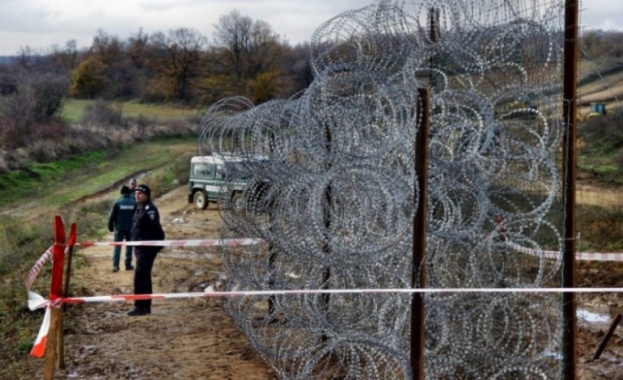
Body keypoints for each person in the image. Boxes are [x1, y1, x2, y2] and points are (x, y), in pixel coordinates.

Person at [128, 184, 165, 316]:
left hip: (146, 249)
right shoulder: (140, 207)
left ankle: (140, 306)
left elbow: (156, 229)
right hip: (139, 248)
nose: (137, 195)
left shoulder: (150, 210)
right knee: (143, 277)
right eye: (136, 193)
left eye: (140, 194)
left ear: (147, 195)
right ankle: (144, 306)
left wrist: (157, 246)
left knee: (140, 277)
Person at [107, 185, 136, 272]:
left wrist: (110, 227)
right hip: (131, 228)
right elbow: (138, 216)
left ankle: (115, 266)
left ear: (122, 192)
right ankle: (128, 265)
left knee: (117, 246)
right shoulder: (134, 203)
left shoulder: (118, 202)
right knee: (129, 246)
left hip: (119, 228)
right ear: (129, 192)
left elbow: (112, 217)